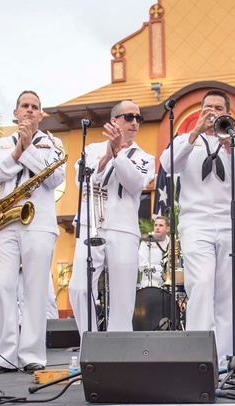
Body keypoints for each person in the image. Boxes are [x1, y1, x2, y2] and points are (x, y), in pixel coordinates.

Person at [159, 89, 235, 363]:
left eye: (218, 107)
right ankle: (198, 357)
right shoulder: (184, 140)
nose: (213, 112)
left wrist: (231, 146)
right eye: (208, 107)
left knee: (229, 291)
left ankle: (227, 359)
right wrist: (193, 135)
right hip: (196, 222)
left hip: (230, 222)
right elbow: (167, 165)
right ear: (200, 111)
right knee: (200, 284)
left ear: (227, 112)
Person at [0, 91, 64, 373]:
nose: (29, 110)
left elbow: (53, 179)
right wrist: (17, 152)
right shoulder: (0, 145)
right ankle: (4, 354)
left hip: (39, 222)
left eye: (35, 107)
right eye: (24, 106)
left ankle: (31, 354)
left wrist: (28, 148)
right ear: (15, 113)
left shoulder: (53, 143)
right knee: (2, 287)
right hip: (5, 222)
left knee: (36, 290)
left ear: (41, 115)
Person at [68, 100, 155, 339]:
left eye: (139, 118)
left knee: (122, 296)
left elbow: (135, 183)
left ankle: (119, 351)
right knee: (79, 287)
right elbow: (81, 180)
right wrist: (106, 157)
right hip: (91, 225)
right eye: (128, 117)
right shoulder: (93, 148)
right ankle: (90, 342)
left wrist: (118, 154)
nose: (134, 122)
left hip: (124, 229)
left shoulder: (145, 157)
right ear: (114, 121)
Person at [138, 216, 171, 288]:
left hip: (169, 282)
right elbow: (142, 264)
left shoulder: (171, 243)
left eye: (161, 225)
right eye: (155, 225)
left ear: (167, 229)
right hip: (150, 281)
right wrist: (161, 272)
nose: (157, 227)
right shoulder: (146, 241)